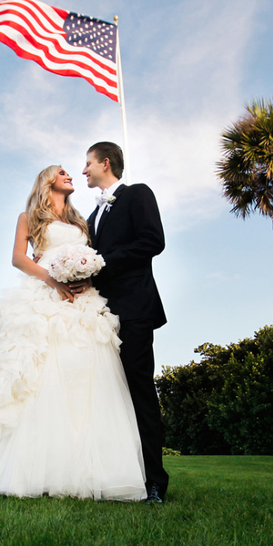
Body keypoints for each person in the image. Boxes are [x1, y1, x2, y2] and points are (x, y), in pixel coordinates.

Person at [0, 165, 146, 501]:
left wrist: (84, 274)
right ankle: (27, 470)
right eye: (63, 172)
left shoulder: (82, 221)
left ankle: (79, 470)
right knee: (37, 376)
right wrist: (52, 278)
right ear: (48, 180)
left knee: (79, 375)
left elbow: (93, 256)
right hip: (43, 293)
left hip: (81, 300)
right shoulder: (29, 217)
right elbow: (18, 258)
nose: (72, 175)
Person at [84, 142, 169, 503]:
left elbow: (153, 241)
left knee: (139, 391)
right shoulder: (89, 218)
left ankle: (154, 480)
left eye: (88, 163)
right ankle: (116, 475)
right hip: (98, 315)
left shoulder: (137, 194)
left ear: (106, 163)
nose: (84, 170)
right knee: (105, 394)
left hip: (134, 309)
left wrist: (103, 261)